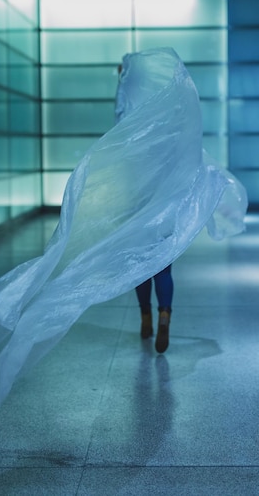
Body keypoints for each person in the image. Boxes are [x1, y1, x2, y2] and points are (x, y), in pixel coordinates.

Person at [115, 61, 174, 353]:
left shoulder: (131, 127)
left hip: (136, 203)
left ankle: (145, 316)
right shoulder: (169, 126)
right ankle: (165, 314)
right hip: (164, 204)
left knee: (140, 265)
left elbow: (118, 117)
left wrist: (121, 81)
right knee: (163, 266)